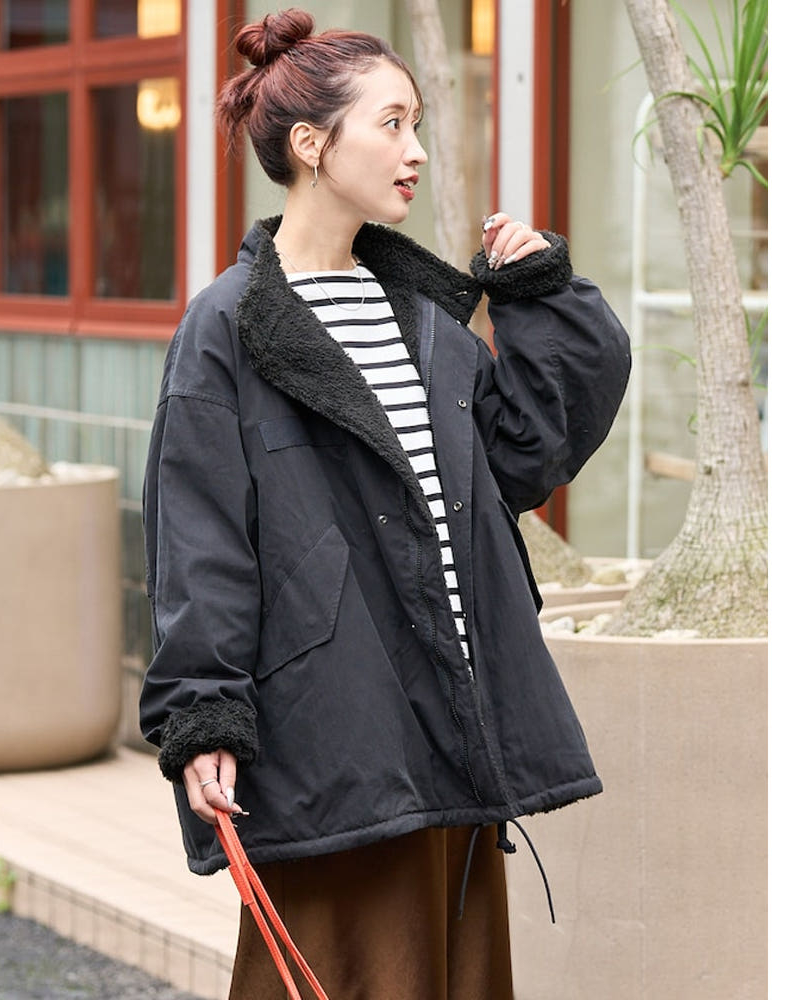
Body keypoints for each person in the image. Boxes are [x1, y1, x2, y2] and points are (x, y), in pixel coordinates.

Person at [140, 8, 630, 998]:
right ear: (312, 145)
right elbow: (200, 540)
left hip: (455, 725)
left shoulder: (421, 314)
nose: (416, 152)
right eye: (392, 124)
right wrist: (203, 717)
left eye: (416, 127)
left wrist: (538, 293)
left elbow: (524, 458)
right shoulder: (229, 325)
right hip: (333, 735)